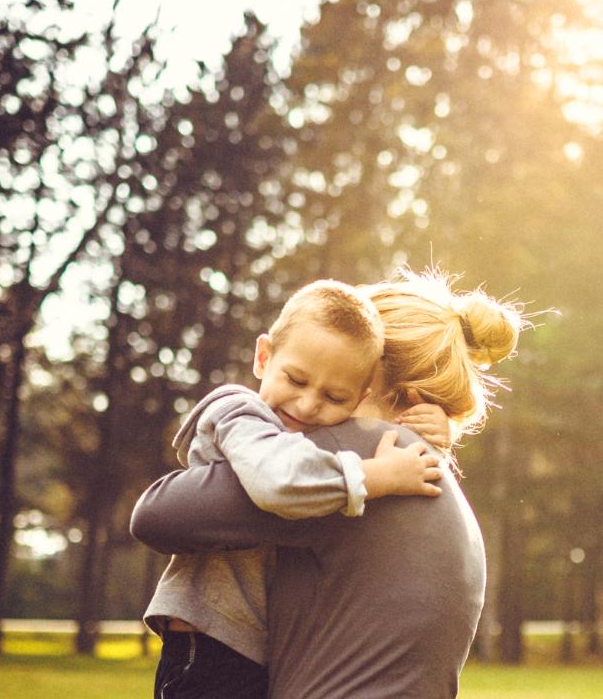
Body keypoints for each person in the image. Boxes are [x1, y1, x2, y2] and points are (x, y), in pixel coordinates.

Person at [132, 270, 523, 699]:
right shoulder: (433, 476)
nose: (309, 407)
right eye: (299, 378)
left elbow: (158, 514)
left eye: (337, 395)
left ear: (368, 383)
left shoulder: (361, 455)